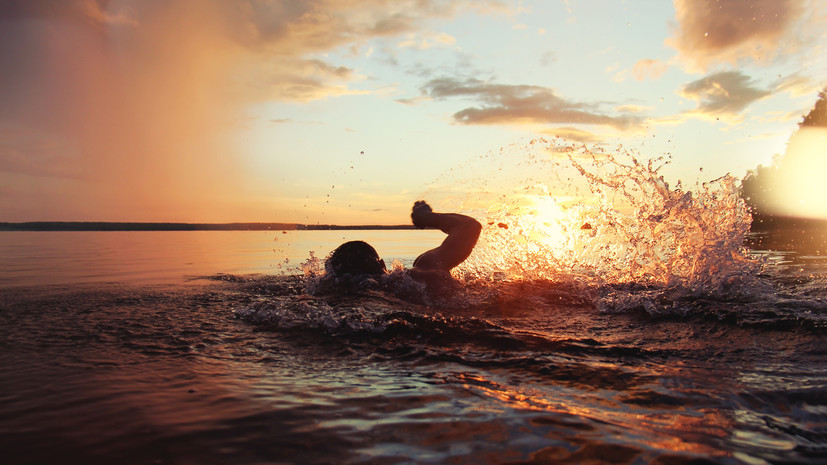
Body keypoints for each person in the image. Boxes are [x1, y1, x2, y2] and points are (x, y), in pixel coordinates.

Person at [324, 200, 481, 291]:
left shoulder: (331, 293)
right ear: (382, 264)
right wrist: (425, 218)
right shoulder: (416, 274)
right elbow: (469, 226)